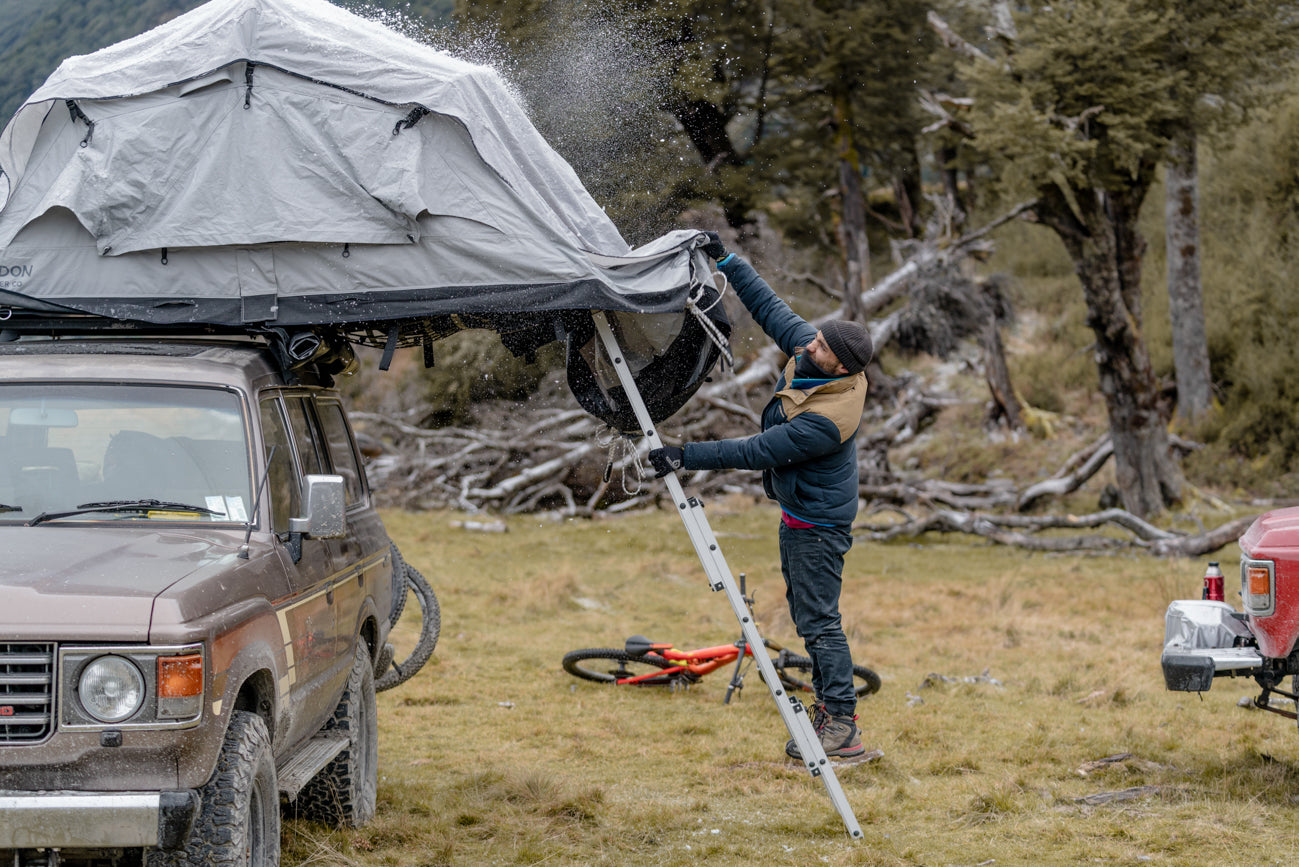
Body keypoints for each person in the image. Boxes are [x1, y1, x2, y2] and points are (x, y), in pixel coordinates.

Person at [648, 231, 874, 760]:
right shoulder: (818, 356)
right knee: (809, 616)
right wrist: (727, 259)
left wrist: (683, 455)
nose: (808, 344)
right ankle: (830, 712)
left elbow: (756, 450)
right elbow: (770, 306)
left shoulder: (827, 419)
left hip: (817, 528)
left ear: (842, 367)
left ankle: (842, 725)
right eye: (815, 339)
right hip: (801, 515)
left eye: (820, 346)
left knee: (818, 622)